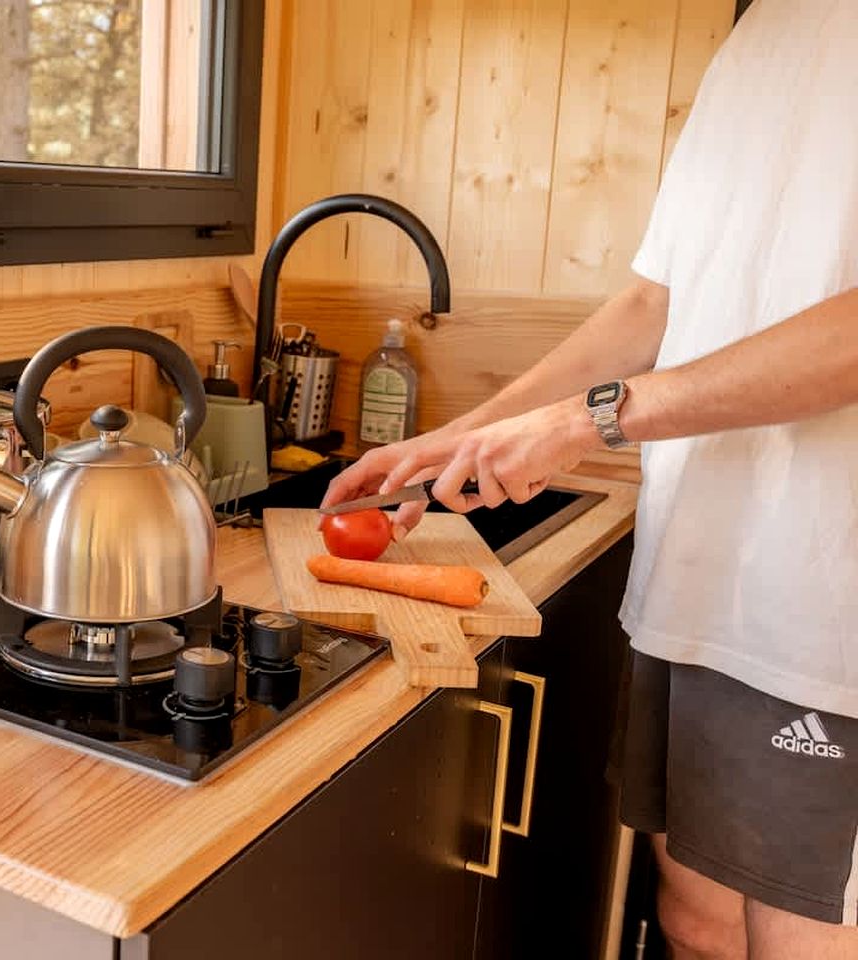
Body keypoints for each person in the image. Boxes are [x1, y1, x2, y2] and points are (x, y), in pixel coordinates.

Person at [320, 2, 858, 957]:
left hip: (825, 614)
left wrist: (591, 419)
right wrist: (464, 435)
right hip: (697, 581)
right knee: (692, 923)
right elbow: (655, 297)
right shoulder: (756, 34)